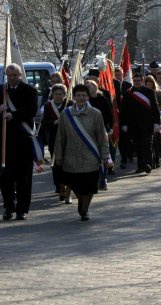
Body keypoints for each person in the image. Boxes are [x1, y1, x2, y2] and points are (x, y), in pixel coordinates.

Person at [0, 63, 39, 221]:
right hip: (3, 141)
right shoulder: (0, 90)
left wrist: (14, 115)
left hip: (22, 140)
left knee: (23, 177)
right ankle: (8, 206)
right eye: (9, 75)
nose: (11, 78)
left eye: (14, 75)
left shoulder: (29, 91)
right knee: (5, 176)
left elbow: (32, 110)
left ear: (20, 75)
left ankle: (22, 209)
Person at [54, 84, 111, 221]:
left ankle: (84, 209)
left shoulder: (96, 114)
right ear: (73, 96)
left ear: (88, 96)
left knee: (90, 187)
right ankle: (82, 203)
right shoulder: (65, 114)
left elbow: (102, 137)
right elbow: (60, 137)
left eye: (84, 95)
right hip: (71, 158)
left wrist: (105, 156)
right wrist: (59, 156)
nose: (81, 98)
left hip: (91, 157)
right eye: (78, 95)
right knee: (77, 187)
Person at [120, 72, 160, 174]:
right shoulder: (128, 93)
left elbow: (155, 108)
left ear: (142, 80)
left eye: (139, 80)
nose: (137, 82)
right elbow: (123, 110)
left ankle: (148, 164)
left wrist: (157, 122)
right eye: (135, 80)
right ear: (133, 81)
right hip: (133, 124)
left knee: (147, 145)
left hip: (147, 123)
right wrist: (124, 124)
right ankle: (140, 166)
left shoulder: (149, 92)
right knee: (138, 147)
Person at [39, 83, 72, 202]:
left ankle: (68, 187)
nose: (58, 96)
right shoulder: (48, 106)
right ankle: (59, 186)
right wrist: (54, 122)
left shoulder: (69, 104)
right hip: (54, 139)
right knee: (56, 163)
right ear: (52, 94)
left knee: (68, 163)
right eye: (56, 94)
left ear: (65, 94)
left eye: (61, 94)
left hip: (69, 138)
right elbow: (44, 123)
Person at [85, 80, 113, 189]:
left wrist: (109, 127)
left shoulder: (102, 99)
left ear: (95, 86)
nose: (89, 87)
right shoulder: (84, 100)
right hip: (88, 131)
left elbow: (109, 114)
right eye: (86, 86)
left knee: (103, 155)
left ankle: (103, 178)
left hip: (101, 130)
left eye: (91, 85)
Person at [114, 67, 133, 168]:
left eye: (119, 74)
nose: (118, 76)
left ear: (122, 74)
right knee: (121, 139)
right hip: (118, 115)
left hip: (128, 115)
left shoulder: (128, 85)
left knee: (128, 138)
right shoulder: (112, 85)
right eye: (116, 75)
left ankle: (130, 154)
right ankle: (123, 159)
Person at [144, 75, 161, 168]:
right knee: (148, 140)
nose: (149, 85)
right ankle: (150, 160)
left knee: (155, 140)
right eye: (147, 84)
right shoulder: (143, 92)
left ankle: (157, 159)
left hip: (156, 117)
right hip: (146, 118)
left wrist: (154, 109)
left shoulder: (157, 92)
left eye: (150, 84)